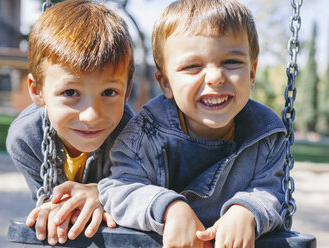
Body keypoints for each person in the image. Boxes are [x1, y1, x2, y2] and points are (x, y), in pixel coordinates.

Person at [98, 0, 287, 247]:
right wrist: (169, 207)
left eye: (231, 62)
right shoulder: (146, 132)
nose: (216, 77)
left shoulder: (266, 134)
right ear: (165, 83)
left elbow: (274, 188)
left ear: (252, 73)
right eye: (193, 66)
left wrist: (247, 209)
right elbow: (119, 188)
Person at [6, 0, 134, 245]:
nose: (91, 115)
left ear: (127, 92)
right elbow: (46, 196)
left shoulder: (135, 135)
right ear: (37, 90)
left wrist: (104, 193)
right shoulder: (25, 139)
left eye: (108, 93)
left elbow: (142, 186)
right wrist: (48, 206)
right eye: (70, 93)